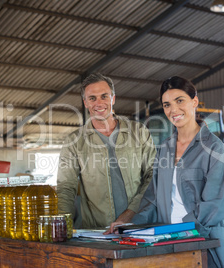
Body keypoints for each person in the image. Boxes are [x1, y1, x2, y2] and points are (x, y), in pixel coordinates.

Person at [106, 76, 224, 267]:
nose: (173, 110)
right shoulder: (165, 148)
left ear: (194, 101)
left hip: (203, 243)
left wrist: (181, 231)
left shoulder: (214, 149)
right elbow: (152, 199)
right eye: (167, 104)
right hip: (168, 243)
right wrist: (130, 226)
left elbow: (216, 204)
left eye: (179, 101)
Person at [56, 73, 157, 228]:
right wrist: (62, 226)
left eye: (104, 96)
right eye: (92, 98)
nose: (99, 103)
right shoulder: (74, 142)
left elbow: (153, 175)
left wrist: (130, 213)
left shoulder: (139, 132)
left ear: (113, 98)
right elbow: (66, 187)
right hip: (98, 231)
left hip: (140, 225)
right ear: (86, 103)